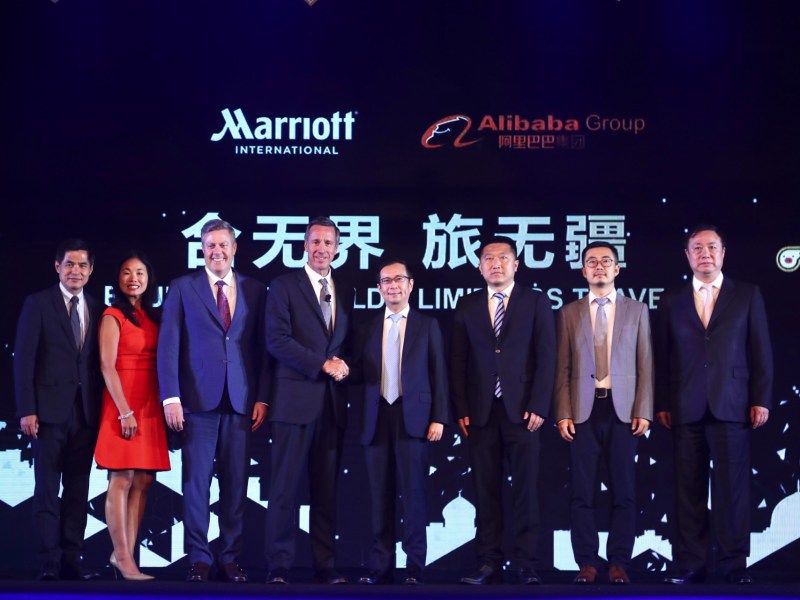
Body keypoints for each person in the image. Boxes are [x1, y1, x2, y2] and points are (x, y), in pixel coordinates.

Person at [656, 224, 773, 585]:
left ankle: (733, 564)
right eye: (697, 247)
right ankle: (691, 564)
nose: (704, 253)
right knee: (688, 490)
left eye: (711, 247)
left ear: (723, 253)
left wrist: (761, 398)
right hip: (684, 405)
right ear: (687, 255)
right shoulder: (672, 299)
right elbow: (662, 356)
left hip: (733, 404)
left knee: (732, 491)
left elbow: (761, 351)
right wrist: (662, 402)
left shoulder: (747, 294)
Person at [157, 219, 268, 583]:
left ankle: (230, 558)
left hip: (240, 400)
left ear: (234, 248)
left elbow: (261, 350)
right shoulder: (182, 287)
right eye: (210, 245)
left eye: (223, 245)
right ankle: (200, 559)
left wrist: (263, 397)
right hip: (196, 401)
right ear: (201, 249)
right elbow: (168, 346)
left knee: (236, 484)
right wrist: (171, 397)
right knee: (196, 484)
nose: (217, 251)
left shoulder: (255, 289)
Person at [451, 236, 556, 585]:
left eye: (503, 258)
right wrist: (461, 407)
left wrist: (540, 404)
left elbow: (547, 357)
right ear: (479, 266)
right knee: (485, 491)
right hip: (480, 413)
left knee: (526, 491)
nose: (495, 264)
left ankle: (526, 563)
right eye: (488, 258)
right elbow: (458, 361)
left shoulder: (536, 301)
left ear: (516, 264)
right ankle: (488, 562)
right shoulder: (467, 305)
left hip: (524, 411)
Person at [554, 241, 653, 585]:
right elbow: (563, 367)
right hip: (583, 410)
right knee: (582, 492)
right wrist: (563, 412)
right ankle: (587, 562)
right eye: (592, 262)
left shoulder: (637, 310)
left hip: (623, 410)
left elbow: (645, 363)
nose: (599, 267)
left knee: (624, 491)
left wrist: (644, 409)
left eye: (606, 261)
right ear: (583, 270)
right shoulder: (569, 312)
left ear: (617, 269)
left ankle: (619, 563)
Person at [264, 216, 353, 585]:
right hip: (293, 401)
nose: (321, 249)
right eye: (315, 242)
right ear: (304, 245)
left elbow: (345, 342)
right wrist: (322, 363)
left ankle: (325, 565)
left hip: (331, 405)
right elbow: (277, 339)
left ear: (337, 248)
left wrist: (344, 365)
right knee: (284, 488)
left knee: (326, 490)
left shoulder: (344, 287)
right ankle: (279, 566)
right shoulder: (284, 286)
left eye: (328, 243)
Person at [353, 260, 449, 586]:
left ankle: (414, 567)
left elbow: (439, 373)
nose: (392, 285)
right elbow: (358, 371)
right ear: (379, 288)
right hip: (376, 417)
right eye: (386, 281)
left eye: (398, 279)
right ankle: (380, 567)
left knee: (414, 496)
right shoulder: (366, 326)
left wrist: (439, 417)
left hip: (415, 419)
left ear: (410, 285)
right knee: (379, 497)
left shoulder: (427, 325)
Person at [14, 239, 103, 581]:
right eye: (69, 264)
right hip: (47, 413)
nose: (75, 271)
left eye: (82, 265)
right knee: (48, 489)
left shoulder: (97, 307)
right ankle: (49, 560)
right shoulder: (38, 304)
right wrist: (27, 409)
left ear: (90, 270)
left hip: (86, 414)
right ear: (57, 267)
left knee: (78, 490)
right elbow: (24, 360)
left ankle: (71, 557)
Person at [94, 251, 170, 581]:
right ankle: (124, 559)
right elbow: (106, 366)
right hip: (121, 402)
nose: (133, 278)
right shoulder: (112, 315)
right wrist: (124, 411)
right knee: (121, 477)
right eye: (126, 272)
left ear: (149, 279)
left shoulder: (152, 316)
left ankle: (123, 554)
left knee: (143, 480)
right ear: (118, 279)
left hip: (149, 402)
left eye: (139, 272)